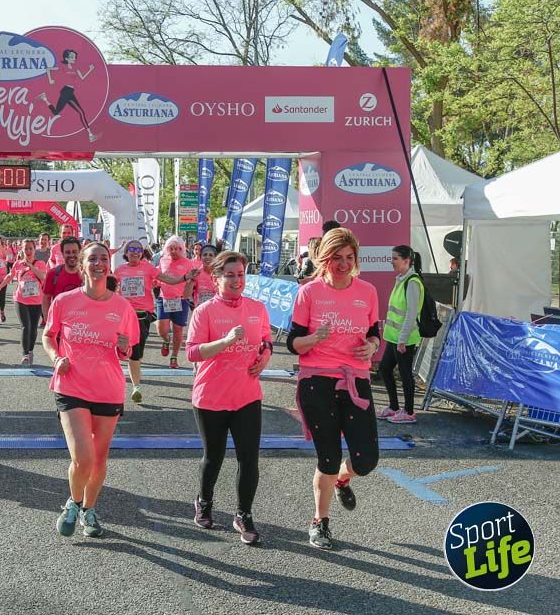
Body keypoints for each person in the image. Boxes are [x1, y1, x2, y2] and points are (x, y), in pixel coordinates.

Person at [287, 228, 381, 550]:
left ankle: (343, 478)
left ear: (356, 259)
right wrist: (314, 339)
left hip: (355, 379)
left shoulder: (367, 292)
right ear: (324, 259)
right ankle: (320, 522)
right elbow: (293, 343)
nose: (343, 264)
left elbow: (373, 333)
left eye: (349, 258)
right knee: (327, 457)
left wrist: (371, 346)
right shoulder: (309, 293)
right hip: (317, 380)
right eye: (336, 258)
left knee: (366, 460)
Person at [43, 243, 139, 538]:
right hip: (71, 386)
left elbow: (129, 350)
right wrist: (56, 358)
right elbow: (49, 335)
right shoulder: (64, 301)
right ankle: (73, 502)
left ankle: (88, 509)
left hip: (108, 390)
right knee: (82, 458)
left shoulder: (122, 307)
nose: (99, 263)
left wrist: (125, 348)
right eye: (93, 259)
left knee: (98, 459)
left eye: (104, 259)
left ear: (109, 266)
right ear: (82, 265)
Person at [186, 251, 272, 544]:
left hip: (247, 394)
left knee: (249, 459)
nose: (237, 280)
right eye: (230, 275)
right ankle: (205, 501)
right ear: (216, 278)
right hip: (211, 395)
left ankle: (243, 514)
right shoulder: (205, 311)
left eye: (241, 274)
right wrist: (225, 342)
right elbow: (193, 352)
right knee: (214, 456)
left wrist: (265, 357)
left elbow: (266, 339)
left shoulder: (257, 308)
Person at [115, 239, 198, 402]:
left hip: (143, 315)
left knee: (137, 350)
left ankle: (135, 380)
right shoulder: (119, 271)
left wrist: (185, 277)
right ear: (126, 253)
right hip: (126, 315)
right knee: (131, 350)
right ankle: (136, 386)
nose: (134, 252)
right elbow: (107, 288)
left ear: (142, 253)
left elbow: (168, 279)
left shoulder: (147, 268)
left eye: (138, 249)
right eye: (131, 249)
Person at [377, 245, 424, 425]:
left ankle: (409, 412)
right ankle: (394, 407)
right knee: (385, 369)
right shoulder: (402, 279)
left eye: (395, 258)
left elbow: (411, 314)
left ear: (407, 261)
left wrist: (403, 339)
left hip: (404, 339)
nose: (392, 261)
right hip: (395, 337)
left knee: (405, 374)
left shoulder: (412, 282)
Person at [0, 239, 48, 365]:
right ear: (21, 250)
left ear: (34, 250)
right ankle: (25, 355)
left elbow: (43, 276)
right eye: (26, 248)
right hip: (20, 300)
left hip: (36, 301)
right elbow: (9, 276)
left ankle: (30, 351)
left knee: (33, 329)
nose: (28, 251)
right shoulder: (18, 264)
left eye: (30, 248)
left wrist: (31, 266)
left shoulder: (40, 263)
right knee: (25, 326)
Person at [37, 49, 99, 143]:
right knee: (81, 112)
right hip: (66, 92)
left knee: (56, 112)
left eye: (75, 57)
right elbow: (48, 69)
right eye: (72, 57)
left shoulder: (75, 68)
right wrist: (50, 80)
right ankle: (90, 135)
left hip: (69, 92)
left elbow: (82, 77)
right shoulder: (63, 67)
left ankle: (44, 98)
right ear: (66, 58)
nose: (74, 58)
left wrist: (90, 70)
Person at [156, 236, 196, 369]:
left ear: (182, 249)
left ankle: (174, 356)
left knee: (178, 331)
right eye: (171, 248)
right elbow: (157, 276)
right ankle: (166, 340)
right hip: (164, 298)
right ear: (167, 249)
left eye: (177, 249)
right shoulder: (163, 260)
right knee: (162, 330)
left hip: (180, 300)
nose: (173, 251)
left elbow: (192, 279)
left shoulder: (188, 262)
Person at [42, 236, 83, 321]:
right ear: (63, 254)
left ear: (80, 252)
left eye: (74, 252)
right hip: (59, 324)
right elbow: (46, 298)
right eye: (68, 252)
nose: (71, 255)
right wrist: (48, 320)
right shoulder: (53, 274)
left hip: (82, 326)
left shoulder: (87, 275)